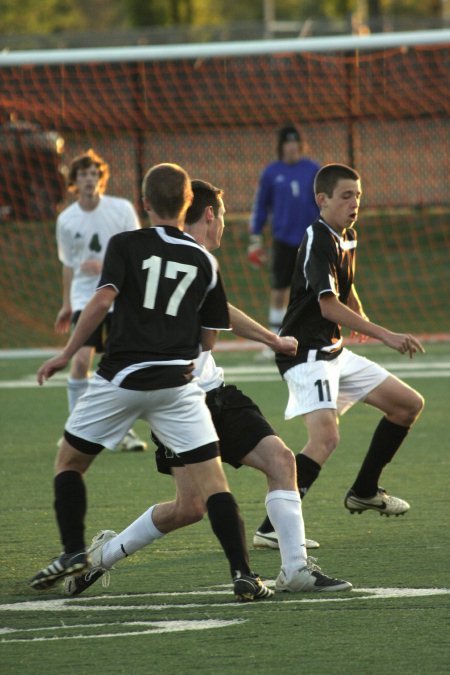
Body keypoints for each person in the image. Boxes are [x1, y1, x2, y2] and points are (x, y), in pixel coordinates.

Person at [64, 179, 352, 597]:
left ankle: (295, 569)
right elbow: (208, 327)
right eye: (222, 216)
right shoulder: (167, 255)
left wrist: (271, 339)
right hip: (175, 401)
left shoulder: (197, 260)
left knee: (280, 459)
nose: (224, 227)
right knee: (189, 508)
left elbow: (221, 311)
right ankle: (101, 558)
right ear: (210, 215)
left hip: (214, 393)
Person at [30, 163, 273, 603]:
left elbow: (102, 300)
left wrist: (67, 353)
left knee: (69, 463)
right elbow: (209, 338)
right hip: (178, 386)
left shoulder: (124, 244)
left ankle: (72, 553)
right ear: (187, 204)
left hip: (120, 377)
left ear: (144, 204)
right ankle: (243, 574)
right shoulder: (205, 260)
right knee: (215, 484)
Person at [254, 163, 425, 548]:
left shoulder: (346, 236)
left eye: (358, 196)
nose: (355, 203)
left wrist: (361, 318)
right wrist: (384, 334)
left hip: (332, 351)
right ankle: (271, 529)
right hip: (305, 354)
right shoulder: (317, 238)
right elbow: (328, 305)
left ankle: (364, 490)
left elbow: (343, 288)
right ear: (322, 199)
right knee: (325, 439)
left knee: (406, 405)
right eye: (346, 196)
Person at [55, 148, 146, 452]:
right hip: (86, 298)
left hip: (121, 297)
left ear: (101, 178)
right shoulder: (66, 220)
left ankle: (124, 433)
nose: (89, 179)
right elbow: (68, 265)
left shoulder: (120, 210)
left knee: (121, 364)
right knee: (81, 361)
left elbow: (137, 250)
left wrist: (108, 265)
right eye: (83, 175)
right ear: (74, 181)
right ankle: (75, 431)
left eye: (94, 174)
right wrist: (67, 304)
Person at [248, 125, 320, 347]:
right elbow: (261, 206)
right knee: (279, 289)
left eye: (295, 142)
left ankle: (313, 337)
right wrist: (255, 238)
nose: (291, 147)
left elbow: (324, 202)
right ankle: (274, 339)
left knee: (314, 290)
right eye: (287, 143)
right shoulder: (271, 173)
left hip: (310, 239)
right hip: (283, 240)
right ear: (281, 147)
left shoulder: (313, 169)